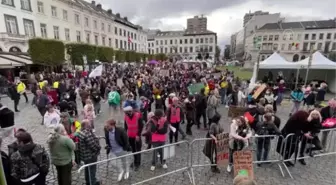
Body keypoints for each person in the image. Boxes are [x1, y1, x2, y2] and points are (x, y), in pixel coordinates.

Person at [77, 119, 101, 185]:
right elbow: (93, 146)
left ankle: (88, 181)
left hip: (84, 156)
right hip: (91, 156)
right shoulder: (87, 133)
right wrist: (99, 147)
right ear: (86, 125)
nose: (90, 125)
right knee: (92, 170)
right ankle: (92, 182)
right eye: (89, 124)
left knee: (87, 169)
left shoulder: (79, 132)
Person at [123, 106, 144, 171]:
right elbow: (125, 126)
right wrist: (126, 135)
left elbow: (141, 126)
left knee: (138, 149)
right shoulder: (126, 116)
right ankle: (135, 161)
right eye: (126, 113)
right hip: (130, 135)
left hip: (137, 136)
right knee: (133, 150)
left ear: (131, 111)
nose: (126, 114)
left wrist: (138, 135)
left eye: (127, 113)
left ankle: (138, 163)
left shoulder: (138, 116)